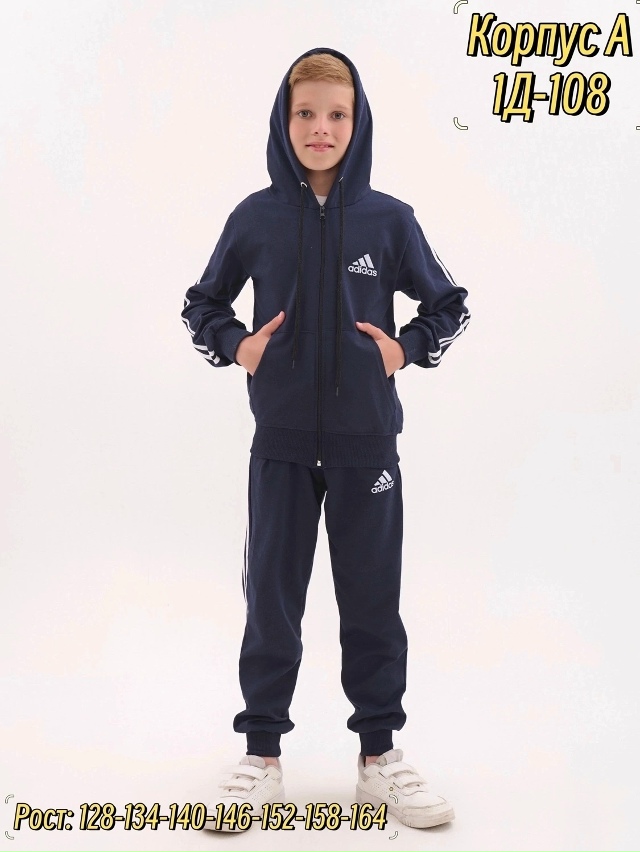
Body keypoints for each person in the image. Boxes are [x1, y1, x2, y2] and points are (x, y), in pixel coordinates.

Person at [181, 46, 470, 831]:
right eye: (305, 112)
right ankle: (261, 758)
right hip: (278, 445)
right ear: (283, 121)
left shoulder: (390, 220)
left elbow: (449, 303)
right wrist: (237, 346)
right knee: (271, 603)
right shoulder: (255, 217)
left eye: (336, 114)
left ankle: (379, 759)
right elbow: (202, 302)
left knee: (372, 602)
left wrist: (404, 350)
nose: (320, 127)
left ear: (358, 121)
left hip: (366, 446)